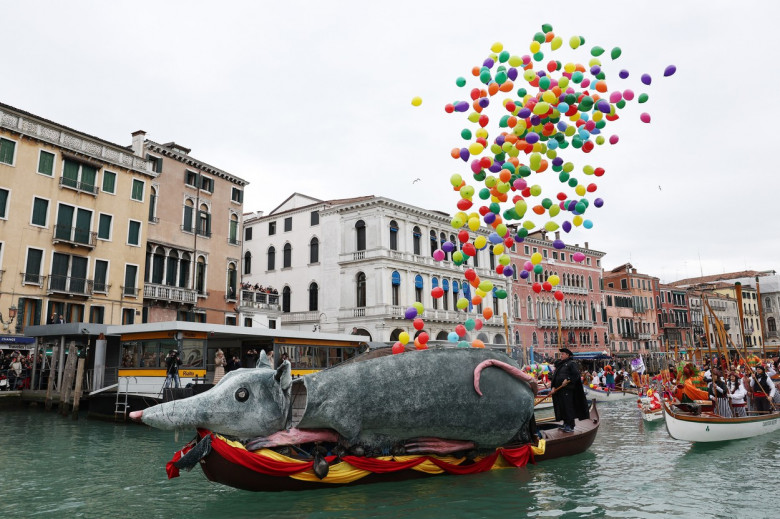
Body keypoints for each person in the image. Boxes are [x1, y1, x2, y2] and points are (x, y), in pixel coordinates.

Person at [550, 348, 589, 433]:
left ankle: (570, 426)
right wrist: (553, 386)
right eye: (561, 354)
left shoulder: (572, 364)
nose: (561, 355)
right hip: (559, 390)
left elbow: (576, 375)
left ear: (567, 355)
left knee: (568, 407)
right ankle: (565, 423)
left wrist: (567, 379)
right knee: (562, 407)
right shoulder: (560, 364)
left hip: (567, 390)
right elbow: (555, 376)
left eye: (563, 354)